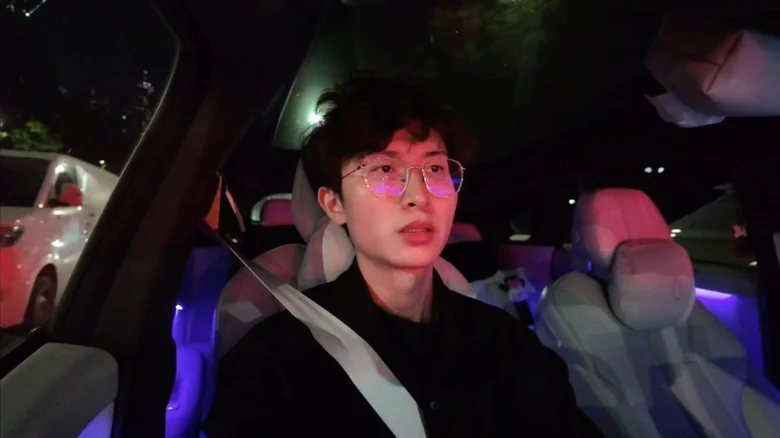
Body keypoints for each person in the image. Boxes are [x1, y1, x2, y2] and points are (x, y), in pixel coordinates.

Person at [203, 76, 603, 437]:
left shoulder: (507, 345)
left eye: (436, 169)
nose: (418, 196)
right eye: (383, 170)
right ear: (334, 204)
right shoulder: (276, 361)